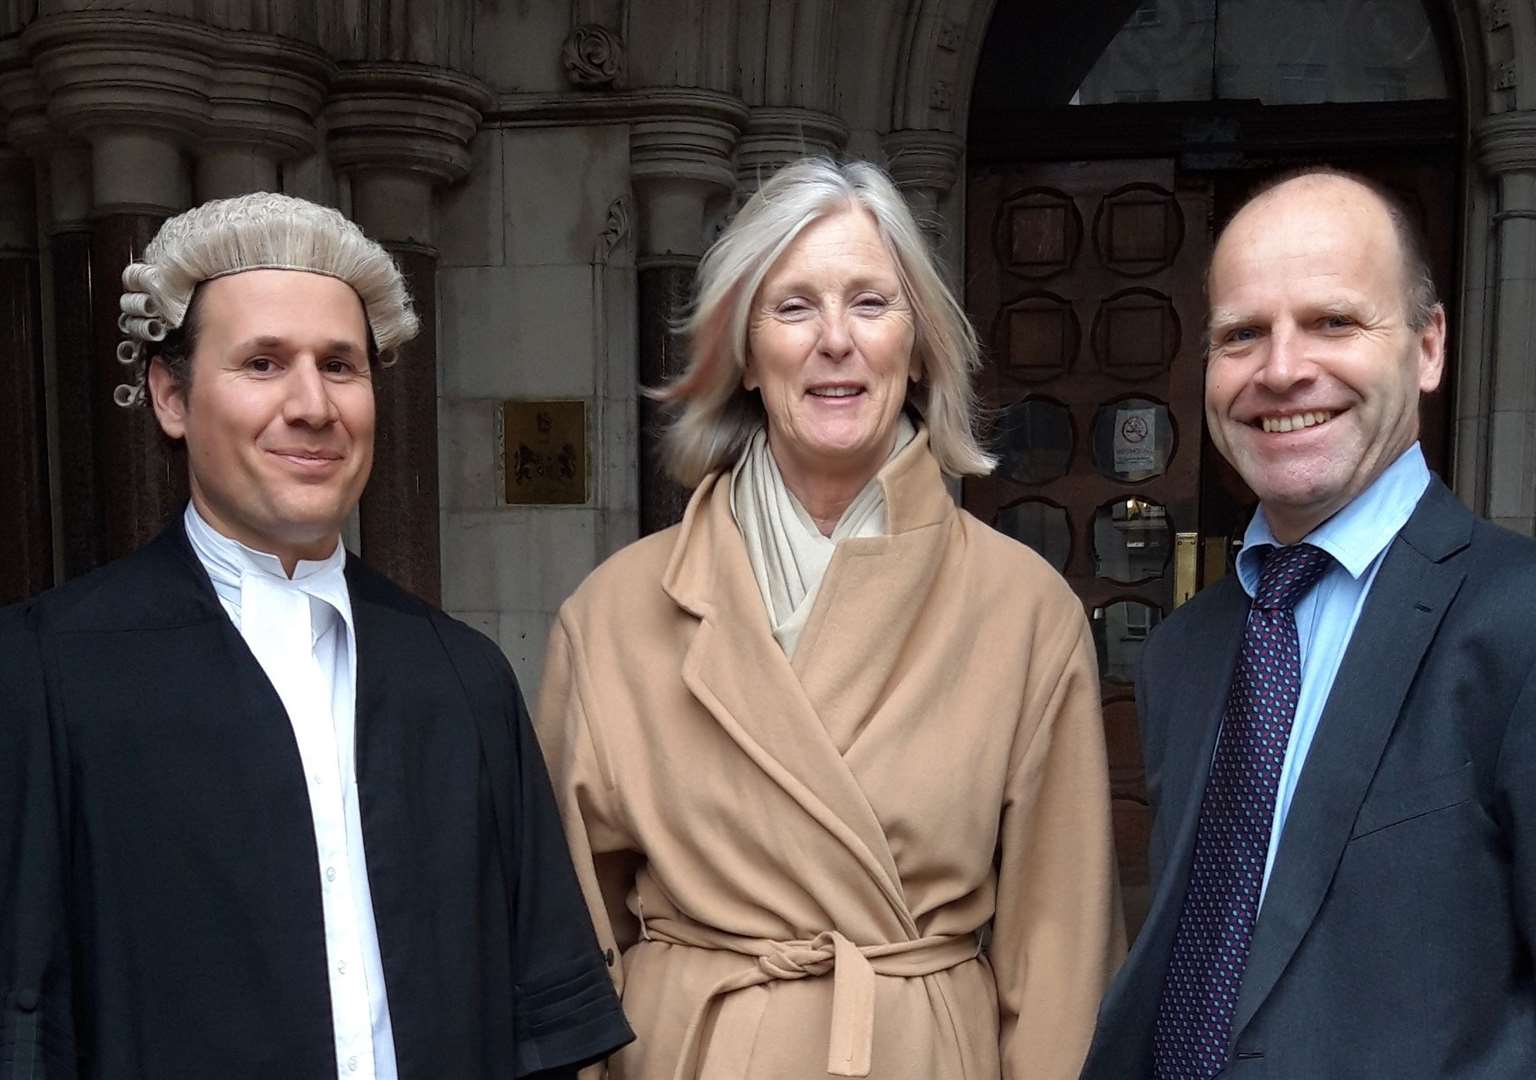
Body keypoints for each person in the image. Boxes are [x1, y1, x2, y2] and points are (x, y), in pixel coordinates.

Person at [0, 193, 631, 1079]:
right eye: (263, 363)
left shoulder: (459, 677)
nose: (312, 405)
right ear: (171, 396)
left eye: (341, 366)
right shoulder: (46, 670)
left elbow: (543, 1012)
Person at [534, 158, 1124, 1080]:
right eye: (794, 306)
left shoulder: (1023, 611)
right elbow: (565, 942)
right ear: (742, 351)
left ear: (920, 345)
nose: (835, 341)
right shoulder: (613, 614)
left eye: (871, 303)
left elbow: (1062, 955)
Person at [1080, 169, 1536, 1079]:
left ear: (1430, 346)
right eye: (1242, 334)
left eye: (1333, 321)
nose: (1282, 370)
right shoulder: (1182, 652)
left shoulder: (1517, 622)